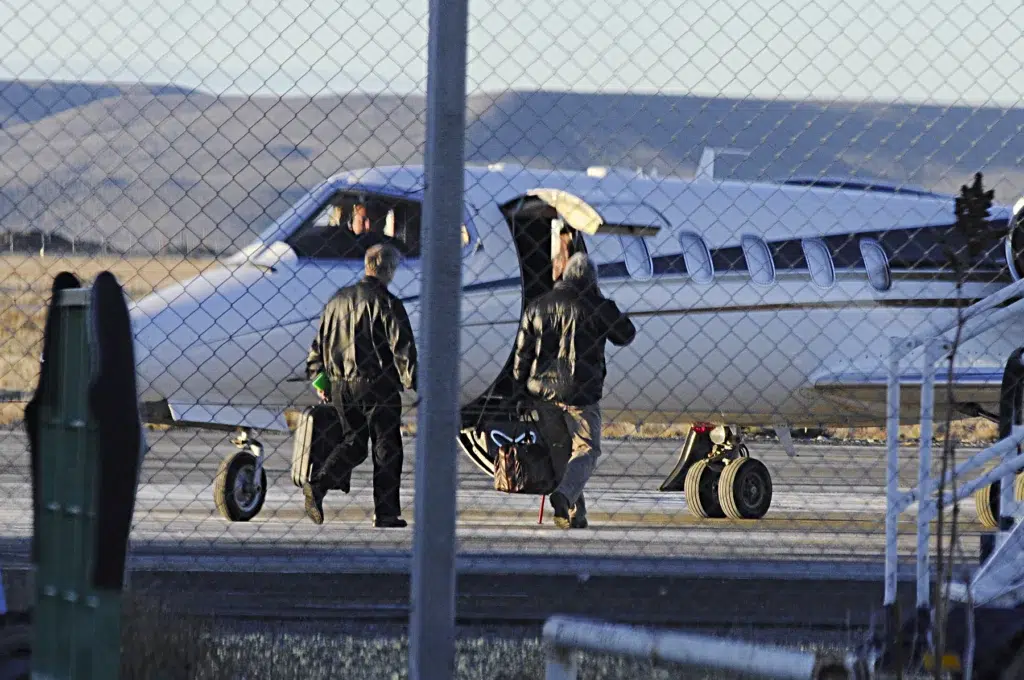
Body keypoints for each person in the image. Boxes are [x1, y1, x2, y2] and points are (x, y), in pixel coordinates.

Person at [512, 252, 636, 529]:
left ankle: (573, 513)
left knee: (561, 452)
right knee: (586, 450)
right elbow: (626, 334)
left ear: (565, 275)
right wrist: (604, 304)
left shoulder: (538, 306)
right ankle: (565, 497)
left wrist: (519, 390)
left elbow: (522, 352)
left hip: (542, 393)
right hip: (581, 393)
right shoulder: (599, 307)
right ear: (592, 279)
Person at [304, 243, 418, 527]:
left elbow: (317, 347)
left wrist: (321, 380)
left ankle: (318, 484)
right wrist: (414, 382)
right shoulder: (387, 302)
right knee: (386, 448)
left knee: (353, 443)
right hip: (377, 385)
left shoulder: (336, 301)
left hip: (340, 385)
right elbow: (402, 348)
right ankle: (386, 512)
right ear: (389, 269)